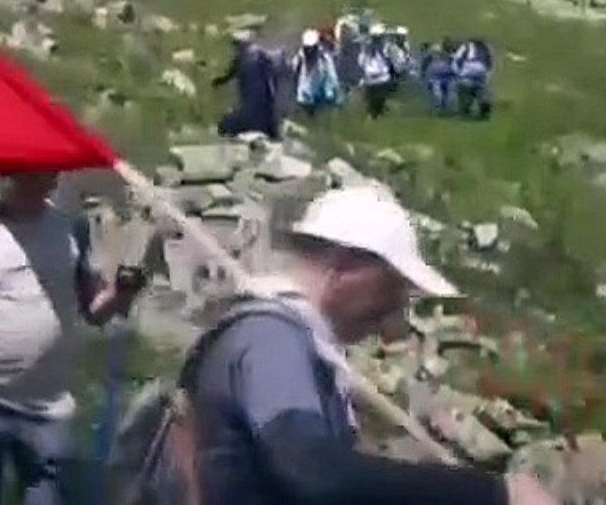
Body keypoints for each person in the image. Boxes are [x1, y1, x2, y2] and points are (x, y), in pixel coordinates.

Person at [181, 186, 558, 505]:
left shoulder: (284, 336)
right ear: (344, 267)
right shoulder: (271, 340)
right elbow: (312, 470)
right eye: (392, 286)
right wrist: (494, 494)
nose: (395, 307)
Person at [0, 171, 146, 505]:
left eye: (46, 171)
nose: (40, 178)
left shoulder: (73, 231)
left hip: (49, 410)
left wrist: (121, 292)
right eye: (27, 170)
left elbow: (95, 310)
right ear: (4, 174)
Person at [211, 30, 280, 140]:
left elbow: (229, 74)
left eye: (237, 45)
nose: (235, 49)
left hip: (254, 102)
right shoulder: (257, 55)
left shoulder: (248, 57)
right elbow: (273, 75)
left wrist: (218, 81)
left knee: (228, 124)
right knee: (266, 121)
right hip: (260, 103)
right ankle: (272, 135)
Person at [290, 29, 342, 118]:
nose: (310, 50)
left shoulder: (323, 57)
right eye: (308, 48)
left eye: (311, 47)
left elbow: (331, 74)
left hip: (320, 94)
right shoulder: (300, 57)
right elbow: (294, 71)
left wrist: (334, 91)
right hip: (305, 96)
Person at [359, 26, 396, 118]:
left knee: (377, 101)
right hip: (375, 80)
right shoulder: (369, 50)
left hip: (378, 79)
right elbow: (362, 62)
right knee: (374, 101)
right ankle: (374, 114)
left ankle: (376, 113)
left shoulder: (382, 49)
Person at [452, 38, 493, 119]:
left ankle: (465, 111)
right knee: (481, 91)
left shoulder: (465, 46)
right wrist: (487, 73)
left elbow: (457, 59)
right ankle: (484, 109)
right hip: (481, 71)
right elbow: (489, 61)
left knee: (465, 91)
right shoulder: (484, 47)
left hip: (468, 70)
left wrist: (458, 73)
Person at [423, 40, 456, 114]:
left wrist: (453, 74)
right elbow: (424, 67)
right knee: (438, 95)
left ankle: (445, 108)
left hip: (447, 78)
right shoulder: (428, 58)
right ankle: (438, 109)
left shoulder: (448, 56)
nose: (435, 53)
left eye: (437, 52)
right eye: (434, 52)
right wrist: (426, 76)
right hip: (435, 79)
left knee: (447, 95)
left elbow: (454, 65)